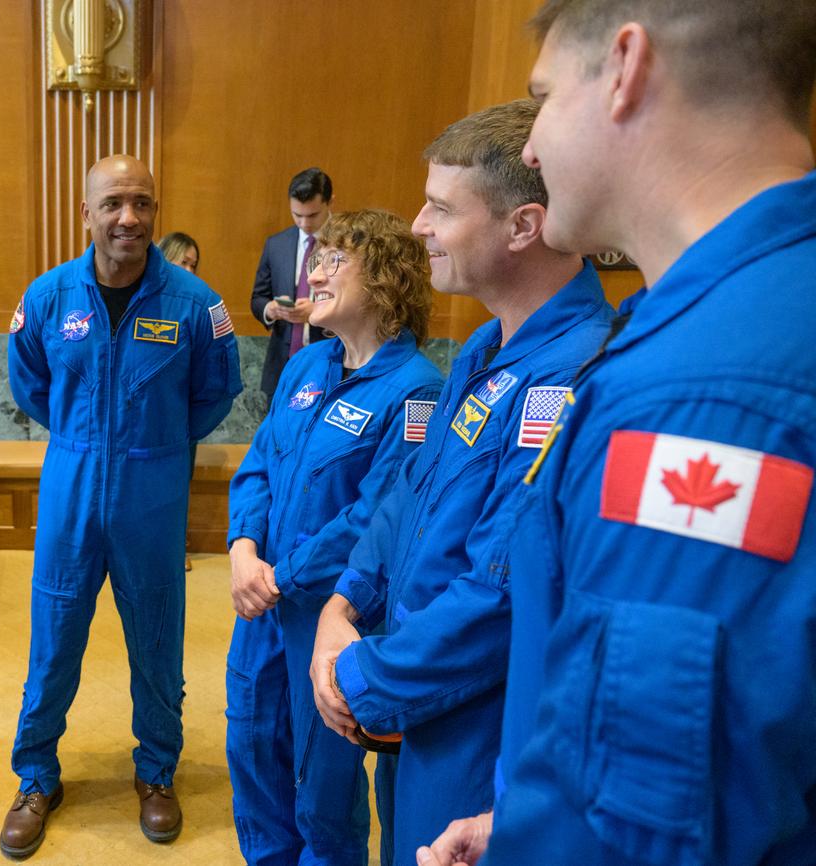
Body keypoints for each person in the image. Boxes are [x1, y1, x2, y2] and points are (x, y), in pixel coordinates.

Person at [421, 3, 816, 864]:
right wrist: (520, 825)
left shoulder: (704, 393)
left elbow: (644, 821)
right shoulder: (720, 314)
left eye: (546, 97)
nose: (530, 148)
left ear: (626, 67)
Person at [307, 100, 615, 866]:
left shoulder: (569, 376)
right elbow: (406, 493)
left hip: (477, 732)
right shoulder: (484, 346)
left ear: (522, 226)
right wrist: (343, 603)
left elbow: (500, 596)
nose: (418, 226)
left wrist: (360, 675)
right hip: (414, 703)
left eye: (442, 208)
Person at [4, 154, 242, 857]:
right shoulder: (48, 298)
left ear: (155, 213)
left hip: (153, 495)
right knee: (52, 643)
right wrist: (88, 438)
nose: (128, 217)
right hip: (70, 493)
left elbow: (215, 394)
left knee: (159, 645)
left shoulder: (198, 305)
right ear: (86, 214)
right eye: (112, 204)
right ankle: (36, 776)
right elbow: (31, 386)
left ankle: (157, 772)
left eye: (141, 203)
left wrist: (155, 444)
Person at [226, 209, 443, 864]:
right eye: (315, 260)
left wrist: (282, 576)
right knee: (253, 755)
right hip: (261, 601)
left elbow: (379, 516)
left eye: (332, 262)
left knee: (321, 786)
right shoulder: (307, 365)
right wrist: (242, 551)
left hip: (329, 614)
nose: (313, 275)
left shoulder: (417, 391)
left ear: (385, 280)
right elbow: (260, 460)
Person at [251, 167, 334, 400]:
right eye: (297, 215)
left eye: (312, 215)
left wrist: (317, 311)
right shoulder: (276, 244)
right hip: (282, 365)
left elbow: (359, 304)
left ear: (330, 203)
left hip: (331, 362)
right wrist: (270, 309)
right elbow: (258, 298)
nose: (304, 223)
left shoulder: (349, 244)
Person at [158, 230, 204, 572]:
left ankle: (174, 546)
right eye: (182, 261)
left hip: (183, 417)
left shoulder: (197, 306)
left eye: (194, 264)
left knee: (178, 485)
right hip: (148, 415)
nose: (188, 270)